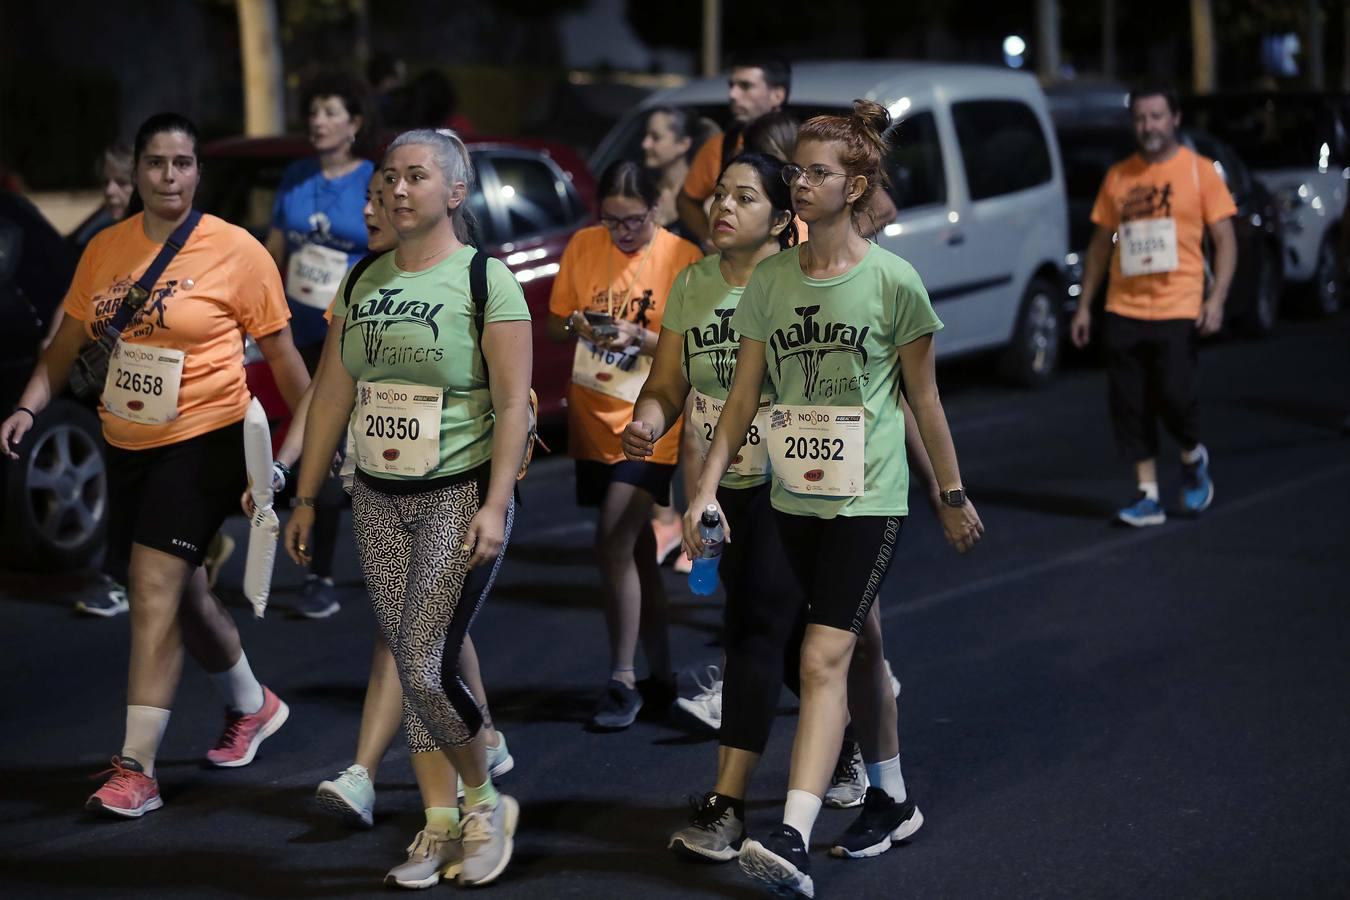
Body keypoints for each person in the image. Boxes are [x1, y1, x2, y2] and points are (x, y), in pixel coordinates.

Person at [684, 102, 983, 897]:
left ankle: (791, 831)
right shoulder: (774, 280)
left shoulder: (893, 282)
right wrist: (705, 489)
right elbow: (743, 398)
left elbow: (926, 402)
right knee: (862, 646)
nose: (801, 183)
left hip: (868, 501)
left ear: (856, 187)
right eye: (796, 171)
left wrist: (947, 494)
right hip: (790, 501)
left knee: (821, 656)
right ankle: (891, 794)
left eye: (818, 172)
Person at [0, 112, 311, 818]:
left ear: (198, 172)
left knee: (152, 585)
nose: (170, 177)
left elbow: (290, 363)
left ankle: (136, 768)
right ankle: (251, 704)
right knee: (183, 590)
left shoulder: (237, 251)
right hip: (129, 443)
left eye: (183, 163)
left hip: (207, 437)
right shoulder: (105, 250)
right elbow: (66, 344)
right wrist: (28, 406)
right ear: (135, 172)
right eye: (157, 164)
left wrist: (303, 452)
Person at [284, 128, 530, 888]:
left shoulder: (488, 281)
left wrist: (495, 504)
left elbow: (515, 405)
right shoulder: (363, 280)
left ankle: (486, 805)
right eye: (388, 175)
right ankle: (438, 822)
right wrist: (305, 496)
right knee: (413, 659)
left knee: (423, 664)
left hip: (458, 491)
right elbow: (331, 394)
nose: (396, 188)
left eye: (415, 176)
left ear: (455, 193)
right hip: (377, 499)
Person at [546, 160, 702, 730]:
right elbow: (555, 324)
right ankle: (661, 673)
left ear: (656, 209)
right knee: (634, 553)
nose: (622, 233)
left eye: (632, 221)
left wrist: (643, 337)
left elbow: (698, 347)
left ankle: (621, 680)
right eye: (611, 222)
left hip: (650, 425)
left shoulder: (682, 258)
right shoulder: (585, 247)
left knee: (610, 539)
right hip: (594, 418)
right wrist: (582, 326)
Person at [1070, 82, 1237, 527]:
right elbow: (1101, 245)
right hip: (1124, 306)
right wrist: (1085, 305)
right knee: (1129, 404)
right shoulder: (1119, 177)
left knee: (1175, 395)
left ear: (1175, 119)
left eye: (1157, 116)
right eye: (1141, 118)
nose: (1149, 126)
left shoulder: (1200, 172)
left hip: (1179, 304)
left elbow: (1225, 240)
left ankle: (1190, 453)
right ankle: (1147, 495)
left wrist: (1216, 298)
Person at [265, 70, 376, 618]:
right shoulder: (295, 177)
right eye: (312, 111)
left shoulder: (374, 180)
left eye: (331, 111)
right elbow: (275, 248)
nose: (318, 121)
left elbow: (390, 249)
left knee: (329, 448)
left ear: (354, 123)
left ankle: (322, 575)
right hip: (297, 332)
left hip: (354, 335)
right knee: (319, 447)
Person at [677, 55, 791, 247]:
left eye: (745, 86)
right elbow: (686, 201)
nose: (733, 95)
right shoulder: (720, 146)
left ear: (777, 95)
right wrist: (709, 238)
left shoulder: (802, 144)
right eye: (731, 85)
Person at [641, 106, 696, 245]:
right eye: (646, 136)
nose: (645, 144)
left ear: (683, 144)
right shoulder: (645, 194)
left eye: (656, 137)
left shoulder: (703, 196)